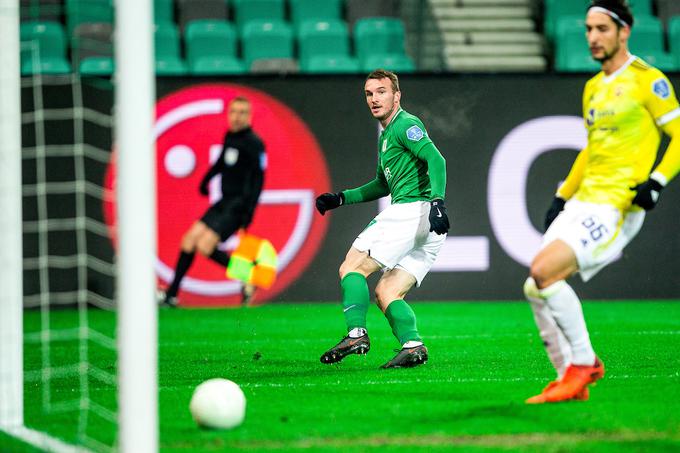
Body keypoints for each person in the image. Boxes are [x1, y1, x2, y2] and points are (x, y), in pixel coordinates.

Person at [524, 0, 680, 403]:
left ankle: (584, 363)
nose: (592, 38)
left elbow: (679, 134)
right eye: (588, 30)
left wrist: (658, 181)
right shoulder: (594, 86)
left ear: (624, 31)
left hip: (616, 206)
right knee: (534, 286)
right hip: (583, 200)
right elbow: (591, 149)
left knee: (543, 271)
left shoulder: (649, 80)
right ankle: (568, 381)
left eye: (601, 29)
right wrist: (562, 195)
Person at [315, 69, 450, 368]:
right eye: (369, 93)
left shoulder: (406, 125)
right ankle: (413, 345)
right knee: (387, 291)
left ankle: (356, 334)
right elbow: (382, 185)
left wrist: (437, 202)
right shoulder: (387, 135)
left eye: (381, 92)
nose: (374, 99)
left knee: (351, 266)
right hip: (428, 227)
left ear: (396, 95)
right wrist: (341, 198)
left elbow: (436, 159)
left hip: (413, 211)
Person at [161, 96, 266, 306]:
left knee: (205, 246)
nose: (237, 117)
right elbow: (222, 162)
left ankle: (248, 274)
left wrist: (249, 213)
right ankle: (171, 295)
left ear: (249, 116)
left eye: (242, 112)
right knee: (188, 241)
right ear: (228, 114)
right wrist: (206, 179)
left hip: (238, 205)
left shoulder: (255, 144)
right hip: (223, 202)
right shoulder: (230, 136)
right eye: (234, 112)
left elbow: (258, 180)